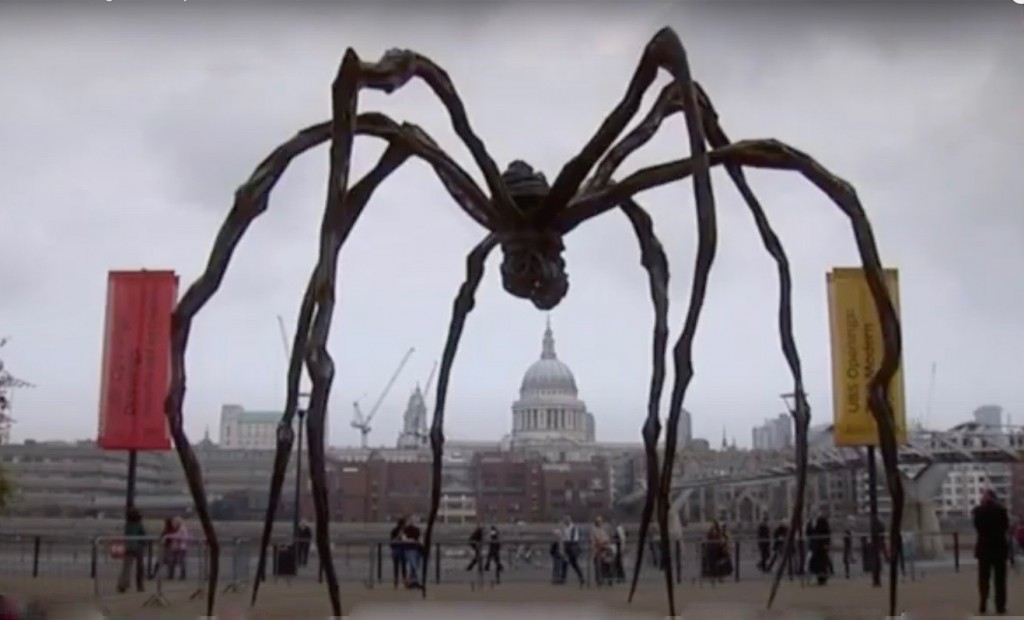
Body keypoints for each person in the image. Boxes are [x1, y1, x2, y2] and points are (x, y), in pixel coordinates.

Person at [973, 489, 1009, 615]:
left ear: (985, 498)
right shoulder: (1001, 511)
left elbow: (978, 528)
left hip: (984, 550)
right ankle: (1000, 606)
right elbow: (1005, 528)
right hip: (999, 549)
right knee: (1000, 580)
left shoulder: (978, 511)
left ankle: (983, 603)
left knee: (983, 578)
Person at [117, 506, 146, 593]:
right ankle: (140, 585)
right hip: (137, 546)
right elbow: (143, 534)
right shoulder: (139, 524)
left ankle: (123, 584)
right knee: (140, 567)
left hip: (128, 546)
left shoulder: (128, 525)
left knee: (126, 567)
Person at [807, 515, 832, 586]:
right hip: (814, 545)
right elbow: (808, 532)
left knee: (822, 563)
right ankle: (818, 577)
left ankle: (823, 579)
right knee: (815, 562)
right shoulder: (810, 522)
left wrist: (827, 543)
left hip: (821, 545)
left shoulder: (823, 520)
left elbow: (827, 532)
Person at [164, 516, 190, 581]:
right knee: (174, 561)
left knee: (180, 561)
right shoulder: (179, 528)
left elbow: (179, 536)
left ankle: (182, 575)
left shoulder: (182, 528)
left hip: (181, 547)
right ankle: (172, 575)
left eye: (175, 522)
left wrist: (168, 536)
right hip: (177, 547)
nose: (174, 523)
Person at [561, 516, 585, 585]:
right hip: (568, 545)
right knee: (565, 562)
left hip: (572, 545)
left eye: (566, 521)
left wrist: (567, 543)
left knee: (574, 563)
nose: (565, 522)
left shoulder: (573, 528)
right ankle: (563, 578)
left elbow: (573, 538)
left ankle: (581, 577)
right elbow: (564, 537)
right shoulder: (565, 528)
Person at [589, 516, 613, 586]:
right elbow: (593, 541)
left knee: (608, 564)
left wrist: (607, 545)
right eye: (597, 522)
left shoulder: (604, 529)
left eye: (600, 521)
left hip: (606, 549)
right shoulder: (593, 531)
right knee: (598, 566)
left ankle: (609, 580)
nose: (599, 523)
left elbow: (607, 539)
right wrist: (593, 548)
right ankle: (599, 581)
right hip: (598, 550)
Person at [402, 515, 424, 589]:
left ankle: (411, 581)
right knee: (413, 565)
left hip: (416, 549)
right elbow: (404, 539)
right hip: (409, 549)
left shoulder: (417, 529)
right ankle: (415, 581)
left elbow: (420, 538)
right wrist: (413, 541)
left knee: (413, 566)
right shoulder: (406, 529)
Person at [388, 517, 407, 588]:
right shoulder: (402, 531)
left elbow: (391, 542)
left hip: (396, 549)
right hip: (401, 549)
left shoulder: (394, 530)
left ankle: (396, 581)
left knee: (397, 567)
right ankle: (403, 581)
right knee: (403, 566)